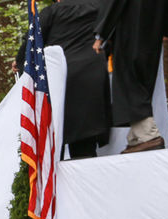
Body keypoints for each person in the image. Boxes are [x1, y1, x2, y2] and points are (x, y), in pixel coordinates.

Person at [14, 0, 111, 159]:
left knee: (53, 150)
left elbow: (30, 44)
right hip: (93, 79)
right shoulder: (98, 7)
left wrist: (20, 64)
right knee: (85, 148)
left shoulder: (51, 12)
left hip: (63, 83)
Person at [92, 0, 168, 153]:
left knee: (129, 76)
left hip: (131, 21)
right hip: (154, 22)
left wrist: (102, 32)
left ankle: (148, 134)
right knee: (143, 76)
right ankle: (136, 135)